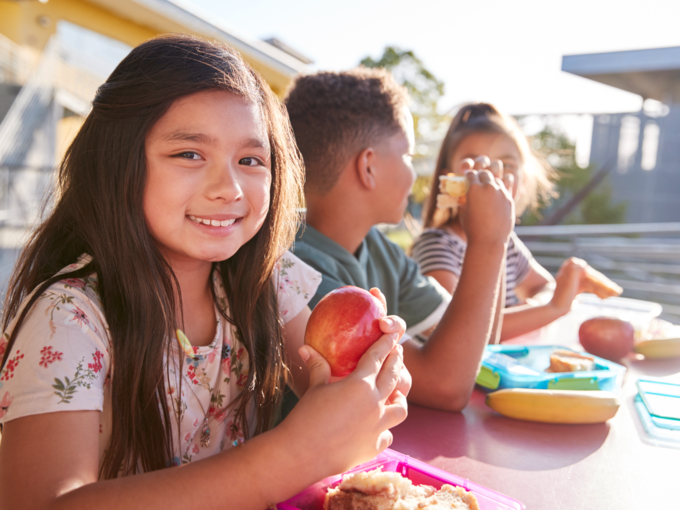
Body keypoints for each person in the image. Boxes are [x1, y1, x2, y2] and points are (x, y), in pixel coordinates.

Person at [0, 36, 410, 510]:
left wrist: (371, 375)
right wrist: (291, 455)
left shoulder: (266, 281)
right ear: (118, 163)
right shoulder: (68, 320)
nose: (229, 187)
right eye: (190, 154)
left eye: (251, 160)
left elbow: (328, 387)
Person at [285, 68, 514, 412]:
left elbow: (479, 340)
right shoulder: (296, 266)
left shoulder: (379, 249)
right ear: (369, 167)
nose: (414, 172)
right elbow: (446, 386)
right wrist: (488, 242)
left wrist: (494, 232)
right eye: (408, 155)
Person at [413, 102, 605, 342]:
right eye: (474, 167)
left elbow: (543, 288)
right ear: (449, 178)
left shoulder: (509, 244)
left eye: (507, 166)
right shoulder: (438, 245)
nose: (491, 178)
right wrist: (552, 309)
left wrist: (526, 312)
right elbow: (457, 333)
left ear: (523, 180)